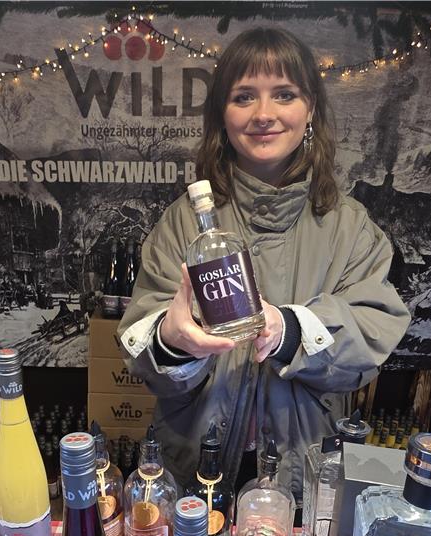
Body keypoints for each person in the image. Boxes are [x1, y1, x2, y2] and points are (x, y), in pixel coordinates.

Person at [118, 27, 411, 504]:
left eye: (284, 94)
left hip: (304, 470)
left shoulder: (351, 228)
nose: (264, 114)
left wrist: (288, 329)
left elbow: (373, 332)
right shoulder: (182, 223)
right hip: (196, 462)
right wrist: (172, 342)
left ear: (310, 108)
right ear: (222, 115)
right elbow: (141, 339)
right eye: (244, 97)